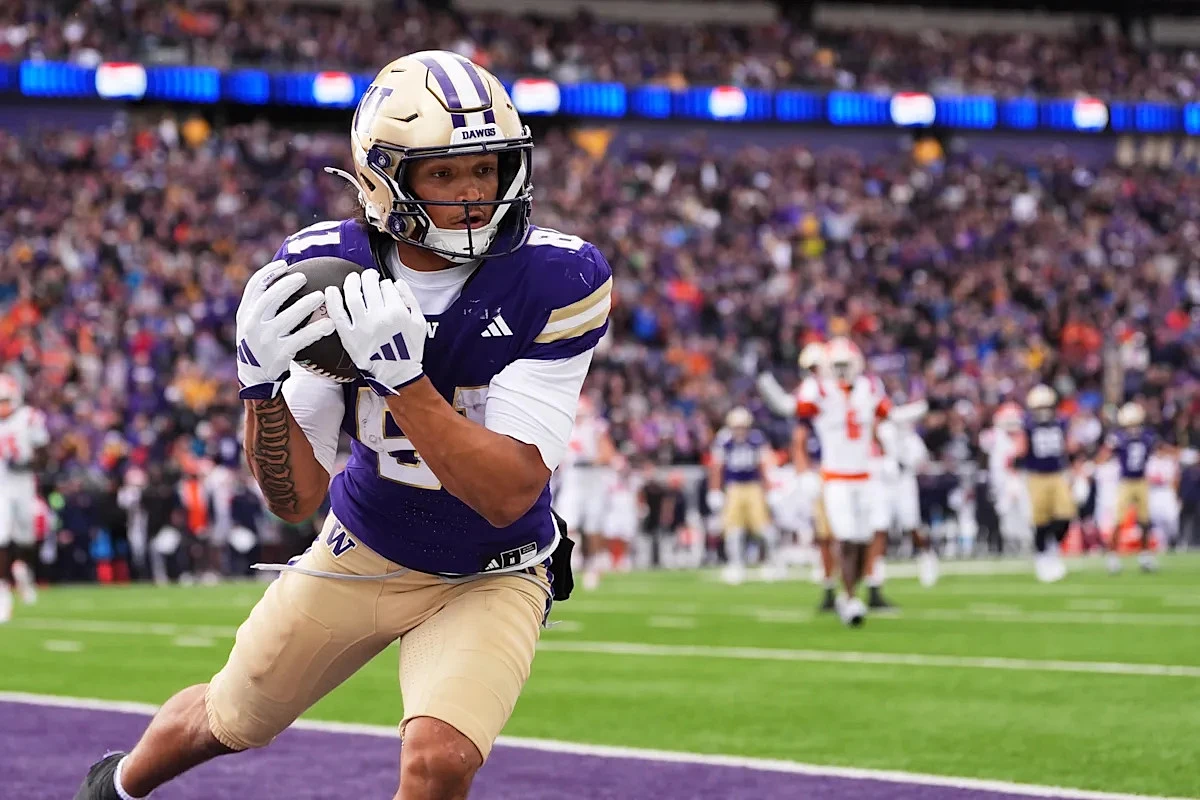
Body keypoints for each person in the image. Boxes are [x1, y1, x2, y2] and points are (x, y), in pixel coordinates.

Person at [75, 50, 606, 800]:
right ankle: (116, 785)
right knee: (230, 717)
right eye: (443, 174)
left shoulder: (559, 278)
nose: (473, 195)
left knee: (441, 758)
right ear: (383, 177)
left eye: (485, 169)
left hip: (495, 565)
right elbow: (293, 500)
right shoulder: (327, 269)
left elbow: (507, 494)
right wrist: (260, 390)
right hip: (362, 548)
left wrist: (405, 383)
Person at [0, 374, 49, 622]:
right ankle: (2, 591)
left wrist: (28, 463)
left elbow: (44, 452)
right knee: (1, 536)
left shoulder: (28, 418)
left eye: (4, 401)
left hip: (25, 484)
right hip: (2, 485)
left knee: (26, 537)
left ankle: (23, 571)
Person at [1016, 384, 1077, 583]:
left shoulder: (1061, 422)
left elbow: (1070, 446)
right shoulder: (1027, 424)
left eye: (1046, 407)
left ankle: (1051, 547)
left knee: (1066, 515)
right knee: (1040, 519)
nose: (1043, 411)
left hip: (1058, 474)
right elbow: (1021, 449)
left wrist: (1073, 465)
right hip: (1036, 476)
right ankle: (1042, 557)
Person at [1100, 401, 1158, 573]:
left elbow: (1156, 449)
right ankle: (1112, 556)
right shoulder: (1118, 437)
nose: (1132, 428)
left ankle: (1145, 555)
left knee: (1145, 521)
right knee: (1119, 520)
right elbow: (1105, 454)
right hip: (1125, 482)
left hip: (1141, 481)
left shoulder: (1147, 436)